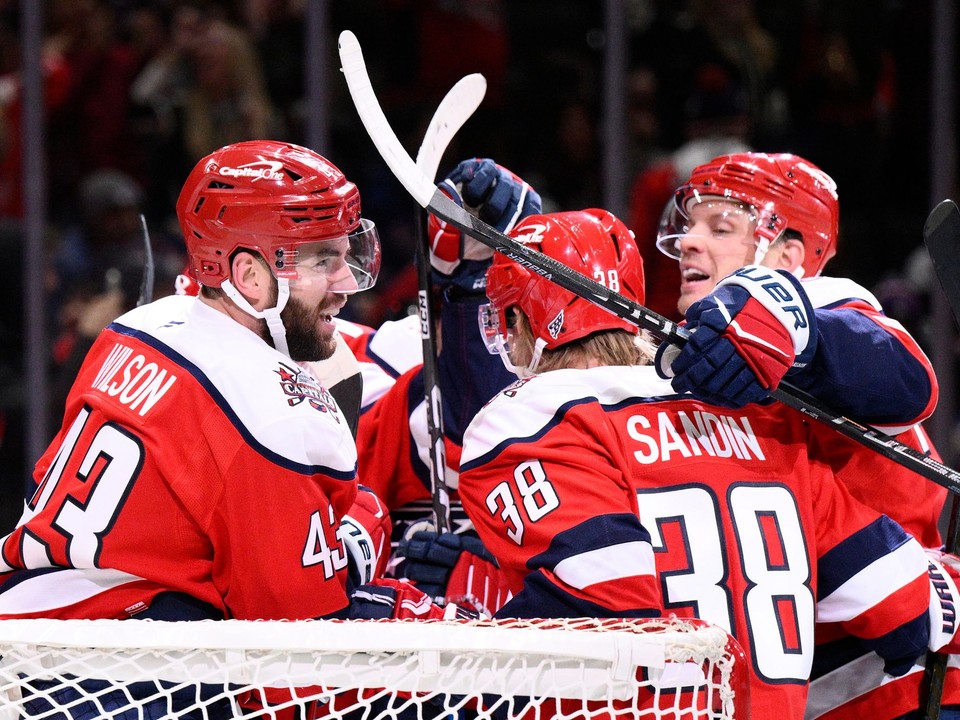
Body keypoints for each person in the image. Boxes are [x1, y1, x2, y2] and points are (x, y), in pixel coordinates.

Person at [456, 207, 960, 719]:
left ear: (519, 319)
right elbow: (904, 607)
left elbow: (607, 611)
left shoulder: (527, 420)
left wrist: (451, 638)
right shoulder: (756, 414)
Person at [652, 152, 955, 717]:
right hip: (802, 687)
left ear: (789, 257)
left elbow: (908, 381)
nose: (691, 242)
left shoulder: (829, 305)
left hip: (909, 679)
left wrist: (794, 321)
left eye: (721, 228)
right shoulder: (694, 359)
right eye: (689, 224)